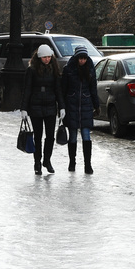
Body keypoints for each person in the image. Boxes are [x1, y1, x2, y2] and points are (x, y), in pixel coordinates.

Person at [20, 44, 65, 175]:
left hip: (50, 106)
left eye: (49, 57)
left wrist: (61, 106)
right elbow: (27, 89)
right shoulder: (32, 70)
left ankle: (47, 160)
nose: (47, 59)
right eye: (44, 57)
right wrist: (24, 108)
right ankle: (37, 162)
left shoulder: (54, 69)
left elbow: (58, 89)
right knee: (38, 137)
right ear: (39, 57)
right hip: (36, 107)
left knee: (50, 136)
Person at [62, 45, 100, 174]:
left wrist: (96, 105)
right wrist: (61, 107)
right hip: (71, 105)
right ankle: (72, 162)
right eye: (80, 58)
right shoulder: (68, 69)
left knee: (86, 135)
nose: (82, 61)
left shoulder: (90, 69)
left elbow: (93, 88)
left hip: (86, 105)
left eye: (84, 58)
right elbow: (64, 89)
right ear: (76, 58)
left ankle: (87, 164)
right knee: (72, 136)